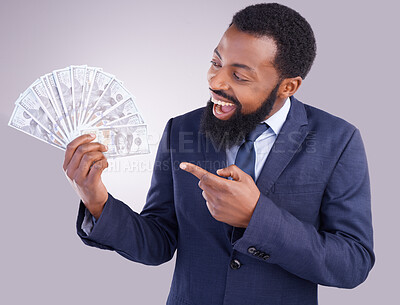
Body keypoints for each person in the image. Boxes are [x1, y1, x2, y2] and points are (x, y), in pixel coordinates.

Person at [63, 3, 374, 305]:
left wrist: (257, 217)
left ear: (288, 87)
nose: (216, 82)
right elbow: (158, 242)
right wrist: (97, 200)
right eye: (215, 63)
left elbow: (352, 263)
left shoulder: (338, 140)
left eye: (239, 76)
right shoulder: (181, 130)